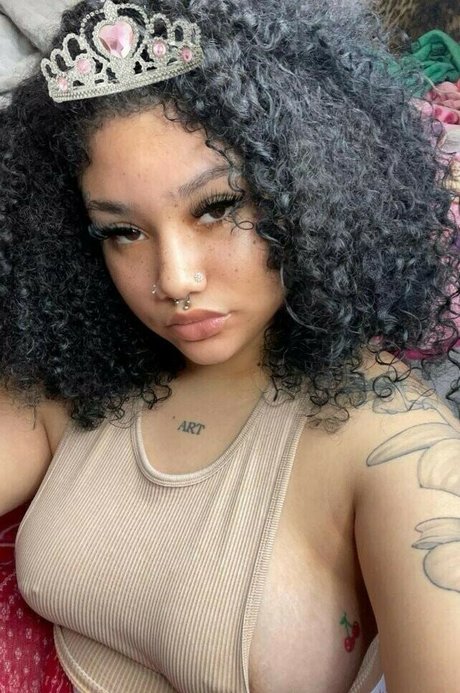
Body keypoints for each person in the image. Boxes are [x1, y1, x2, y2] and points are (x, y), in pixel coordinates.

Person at [0, 0, 459, 691]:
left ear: (311, 185)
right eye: (122, 232)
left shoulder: (399, 452)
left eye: (217, 208)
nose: (173, 279)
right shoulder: (84, 368)